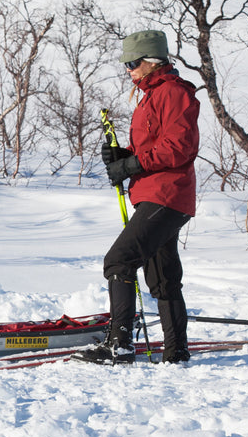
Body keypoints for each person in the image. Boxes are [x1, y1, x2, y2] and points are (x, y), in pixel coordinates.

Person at [79, 28, 201, 365]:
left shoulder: (173, 92)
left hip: (167, 194)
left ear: (152, 61)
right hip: (156, 194)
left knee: (119, 261)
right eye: (126, 64)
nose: (128, 69)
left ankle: (119, 346)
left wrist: (133, 163)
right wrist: (124, 157)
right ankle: (176, 351)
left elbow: (179, 147)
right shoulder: (152, 95)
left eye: (133, 63)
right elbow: (155, 146)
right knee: (162, 277)